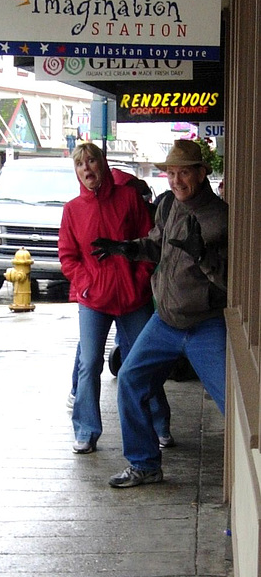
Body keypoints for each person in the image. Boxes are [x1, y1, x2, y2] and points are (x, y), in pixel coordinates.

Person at [91, 139, 228, 488]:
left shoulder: (221, 217)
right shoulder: (167, 205)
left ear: (202, 172)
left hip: (205, 325)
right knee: (131, 380)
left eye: (185, 172)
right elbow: (156, 245)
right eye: (171, 172)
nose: (177, 180)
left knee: (235, 403)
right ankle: (145, 464)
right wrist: (129, 249)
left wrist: (204, 256)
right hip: (164, 322)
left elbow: (231, 280)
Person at [58, 142, 172, 455]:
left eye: (91, 162)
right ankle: (85, 430)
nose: (87, 170)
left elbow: (149, 244)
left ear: (103, 163)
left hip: (133, 297)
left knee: (142, 363)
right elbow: (68, 257)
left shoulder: (128, 199)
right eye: (80, 165)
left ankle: (160, 424)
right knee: (89, 362)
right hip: (93, 300)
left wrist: (139, 280)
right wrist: (86, 285)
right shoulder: (72, 210)